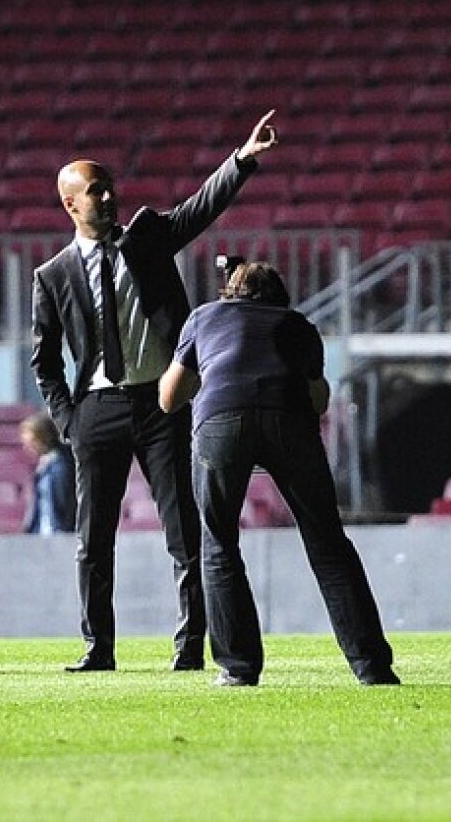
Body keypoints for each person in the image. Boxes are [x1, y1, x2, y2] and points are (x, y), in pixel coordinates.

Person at [31, 110, 278, 673]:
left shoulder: (146, 237)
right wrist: (69, 421)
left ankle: (190, 647)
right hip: (97, 410)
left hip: (161, 404)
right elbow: (44, 360)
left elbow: (199, 207)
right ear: (70, 204)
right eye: (96, 191)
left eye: (109, 186)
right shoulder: (53, 275)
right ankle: (98, 648)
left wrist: (242, 159)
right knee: (93, 541)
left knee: (184, 531)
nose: (109, 196)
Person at [159, 261, 400, 686]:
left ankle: (238, 668)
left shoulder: (204, 317)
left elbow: (168, 398)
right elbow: (319, 400)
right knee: (328, 544)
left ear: (229, 291)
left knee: (218, 544)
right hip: (289, 421)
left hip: (221, 420)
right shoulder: (299, 326)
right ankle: (372, 666)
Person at [19, 413, 76, 535]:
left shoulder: (62, 466)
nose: (28, 447)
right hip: (43, 532)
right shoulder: (44, 466)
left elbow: (65, 503)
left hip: (59, 532)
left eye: (32, 441)